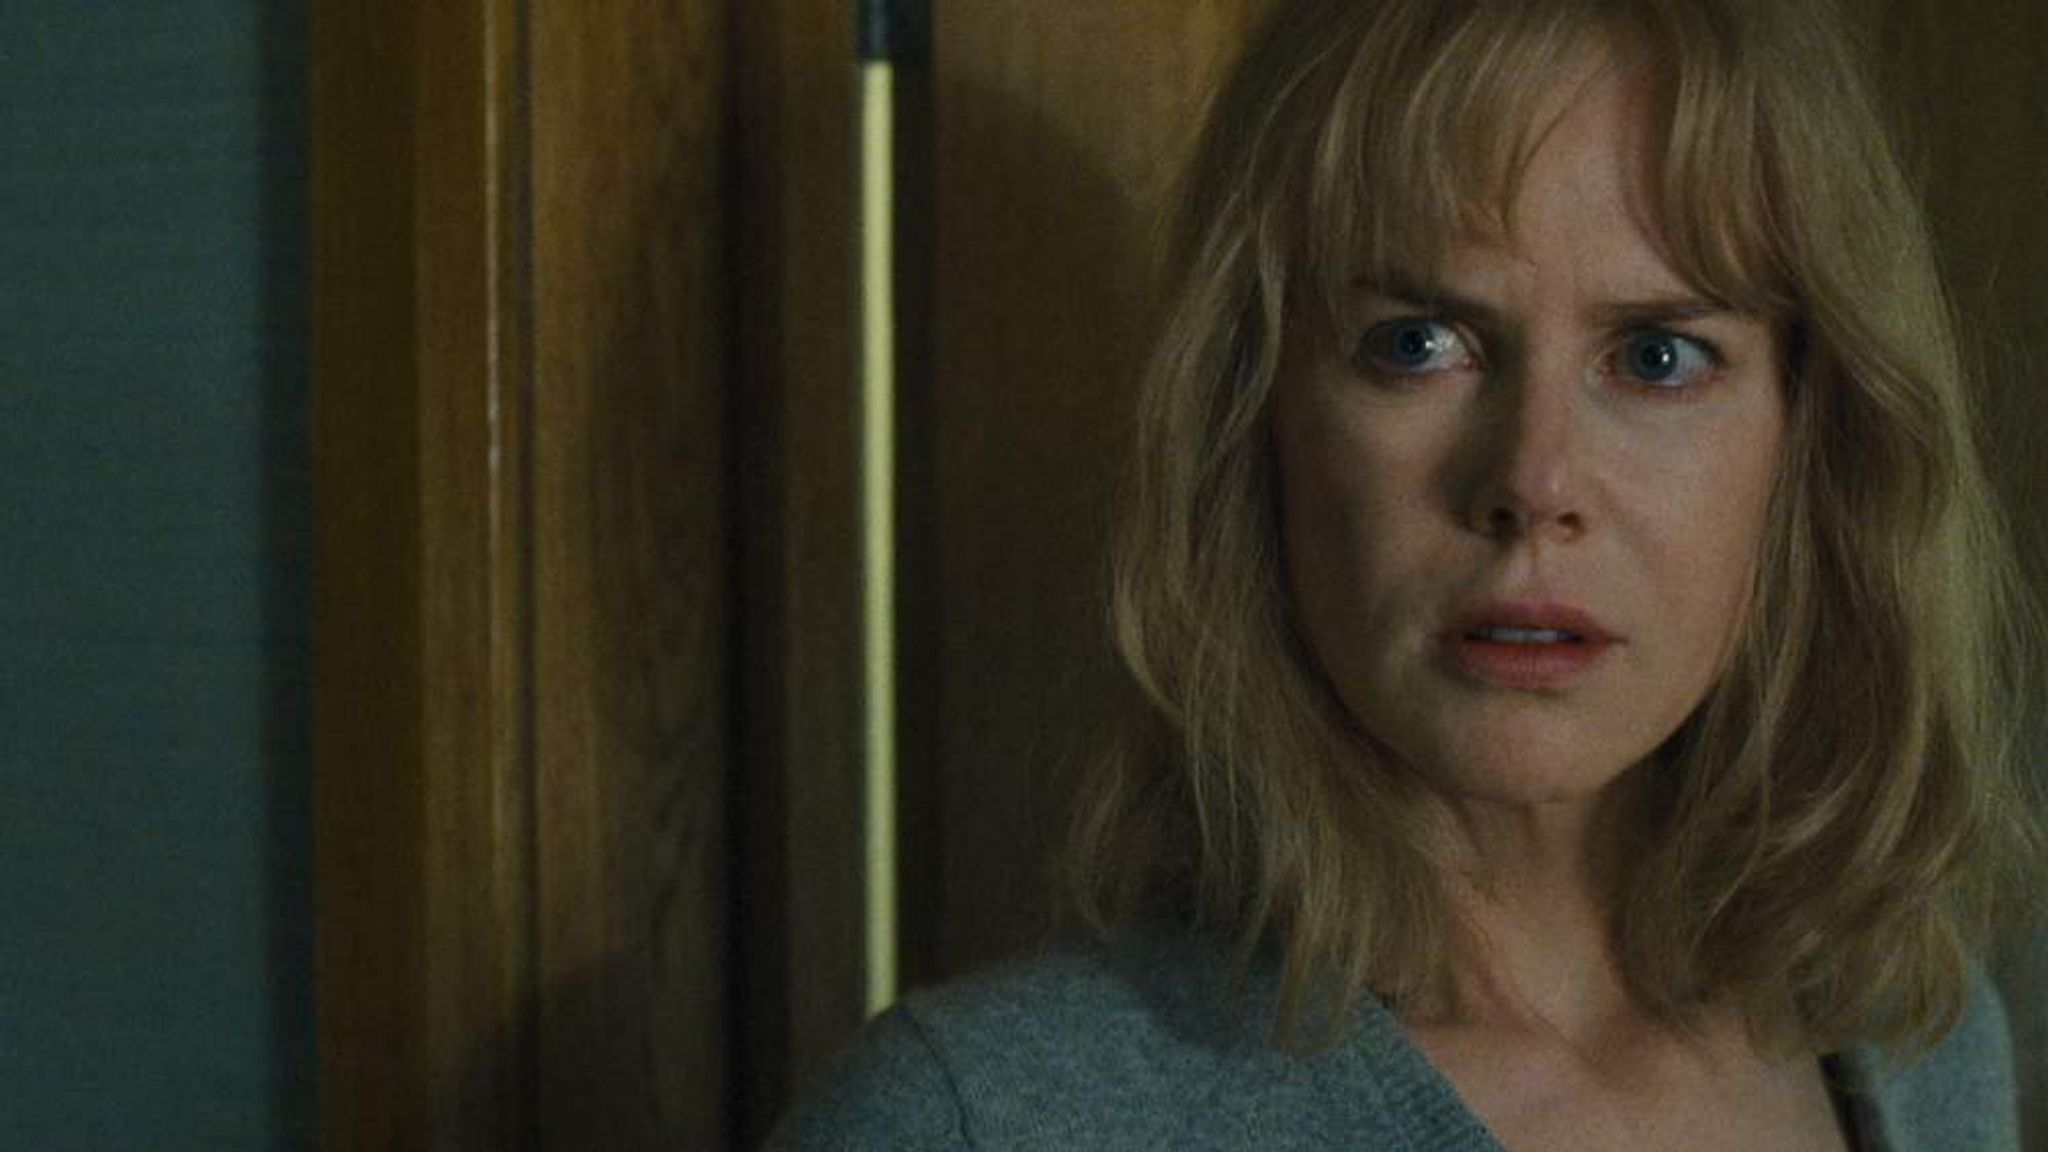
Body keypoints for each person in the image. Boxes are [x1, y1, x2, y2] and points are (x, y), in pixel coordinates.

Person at [769, 0, 2040, 1148]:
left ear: (1809, 442)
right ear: (1253, 419)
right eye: (1417, 344)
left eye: (1656, 356)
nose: (1531, 480)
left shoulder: (1914, 1045)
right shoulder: (975, 1121)